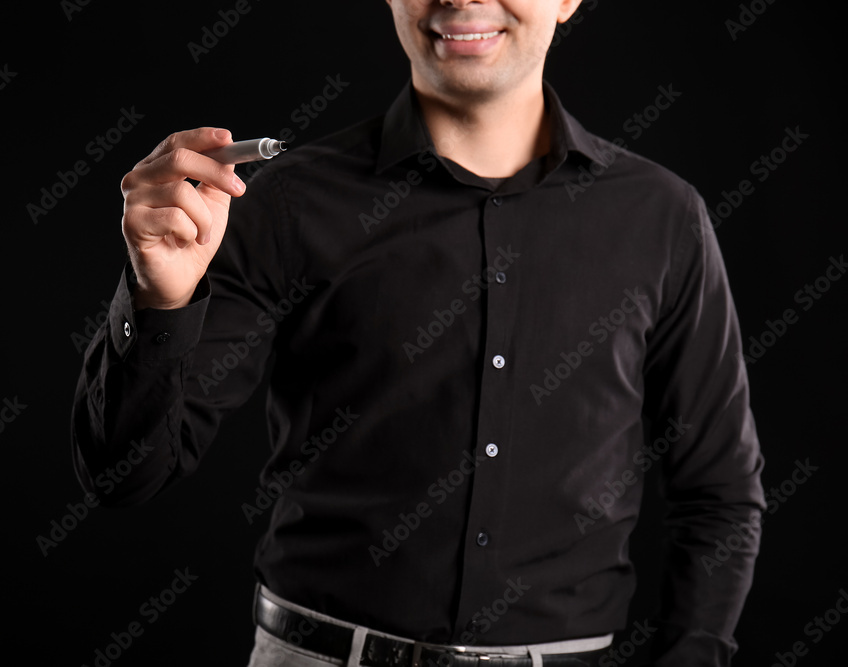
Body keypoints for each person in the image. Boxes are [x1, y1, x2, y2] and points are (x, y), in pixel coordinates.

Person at [71, 1, 766, 665]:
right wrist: (160, 297)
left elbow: (721, 494)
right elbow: (127, 474)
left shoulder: (664, 218)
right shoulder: (282, 202)